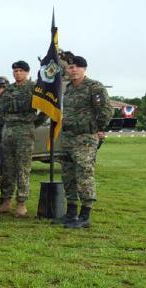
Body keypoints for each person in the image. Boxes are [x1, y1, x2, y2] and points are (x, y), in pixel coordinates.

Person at [59, 55, 111, 229]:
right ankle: (71, 213)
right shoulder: (69, 89)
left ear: (84, 69)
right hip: (68, 137)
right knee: (68, 174)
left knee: (84, 174)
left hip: (85, 137)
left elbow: (105, 111)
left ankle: (85, 215)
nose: (73, 70)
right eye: (70, 67)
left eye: (76, 67)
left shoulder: (94, 87)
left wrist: (95, 129)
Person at [0, 61, 47, 217]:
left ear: (27, 72)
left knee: (23, 168)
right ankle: (6, 200)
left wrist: (32, 124)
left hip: (25, 130)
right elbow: (2, 110)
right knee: (8, 168)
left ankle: (21, 202)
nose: (17, 73)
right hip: (8, 130)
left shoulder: (34, 88)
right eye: (15, 71)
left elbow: (45, 110)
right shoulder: (9, 89)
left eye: (20, 71)